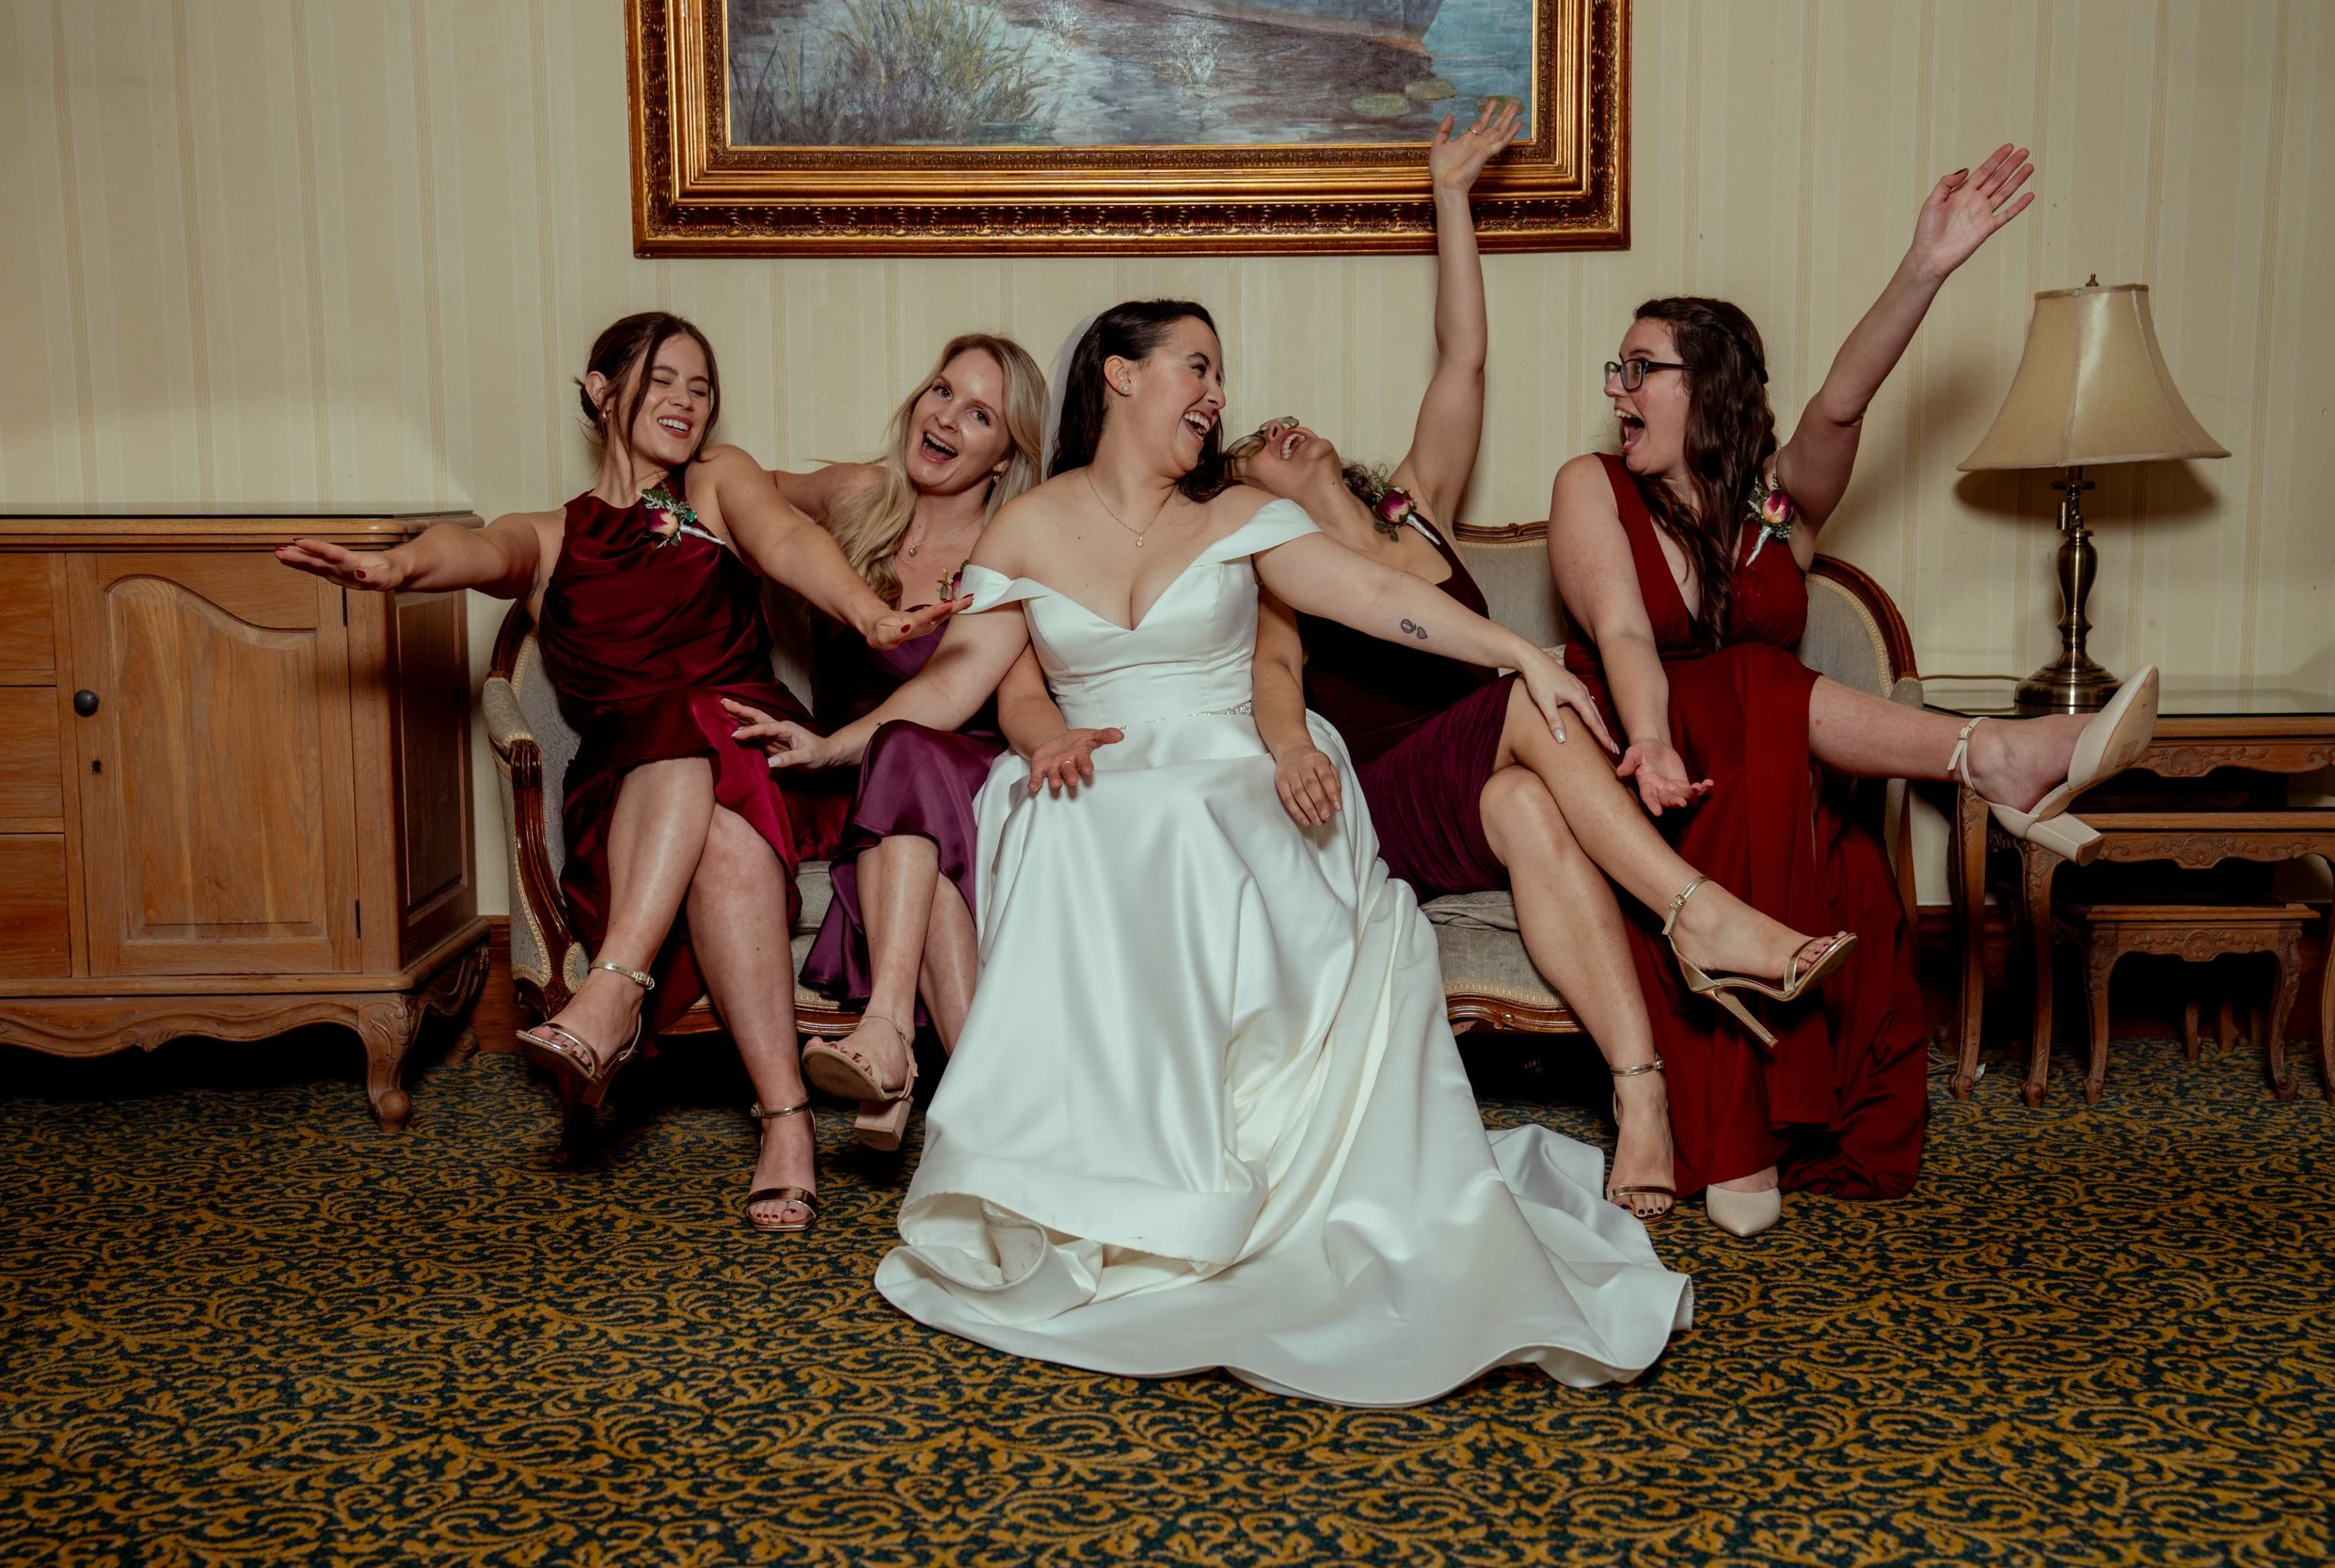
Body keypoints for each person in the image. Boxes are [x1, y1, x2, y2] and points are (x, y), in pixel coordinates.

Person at [728, 298, 1721, 1407]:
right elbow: (951, 686)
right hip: (1090, 769)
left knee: (1194, 821)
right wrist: (831, 744)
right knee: (1072, 815)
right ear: (1118, 376)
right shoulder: (1026, 529)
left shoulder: (1242, 513)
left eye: (1217, 374)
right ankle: (1111, 1178)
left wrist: (1516, 658)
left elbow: (1381, 594)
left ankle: (1239, 1163)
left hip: (1232, 764)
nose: (1212, 393)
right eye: (1193, 367)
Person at [1232, 101, 1850, 1227]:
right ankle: (1697, 911)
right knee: (1529, 687)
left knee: (1524, 796)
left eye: (1284, 421)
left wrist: (1451, 196)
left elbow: (1463, 355)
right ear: (1242, 498)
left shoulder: (1414, 508)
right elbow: (1276, 679)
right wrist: (1282, 744)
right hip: (1390, 801)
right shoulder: (1279, 568)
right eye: (1253, 450)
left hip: (1499, 768)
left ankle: (1640, 1090)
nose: (1280, 433)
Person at [1547, 145, 2156, 1235]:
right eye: (1616, 370)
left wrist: (1924, 268)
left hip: (1774, 786)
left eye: (1641, 369)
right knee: (1747, 672)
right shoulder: (1590, 488)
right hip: (1647, 780)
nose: (1615, 390)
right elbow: (1625, 630)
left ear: (1709, 389)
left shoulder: (1776, 511)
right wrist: (1653, 738)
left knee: (1828, 805)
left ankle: (1767, 1128)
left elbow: (1837, 405)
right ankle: (1993, 756)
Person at [274, 311, 955, 1236]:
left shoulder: (715, 485)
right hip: (629, 800)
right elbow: (474, 551)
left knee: (697, 728)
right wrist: (396, 569)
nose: (684, 400)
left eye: (700, 386)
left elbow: (788, 542)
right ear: (600, 390)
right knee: (700, 800)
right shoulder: (551, 536)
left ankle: (620, 995)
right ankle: (785, 1120)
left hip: (760, 753)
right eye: (661, 378)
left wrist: (865, 613)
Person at [766, 334, 1097, 1149]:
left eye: (978, 413)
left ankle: (886, 1028)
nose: (945, 418)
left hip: (968, 778)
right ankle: (989, 1121)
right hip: (876, 796)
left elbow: (1016, 694)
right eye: (942, 392)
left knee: (906, 749)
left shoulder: (1008, 547)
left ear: (1002, 455)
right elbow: (737, 486)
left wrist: (1055, 741)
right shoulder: (857, 497)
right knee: (920, 859)